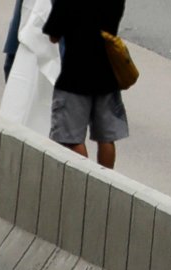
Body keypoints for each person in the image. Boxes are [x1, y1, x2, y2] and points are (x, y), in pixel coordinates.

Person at [44, 0, 128, 168]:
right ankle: (107, 182)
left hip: (74, 76)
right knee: (106, 139)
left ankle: (88, 179)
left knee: (70, 140)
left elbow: (54, 35)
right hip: (106, 75)